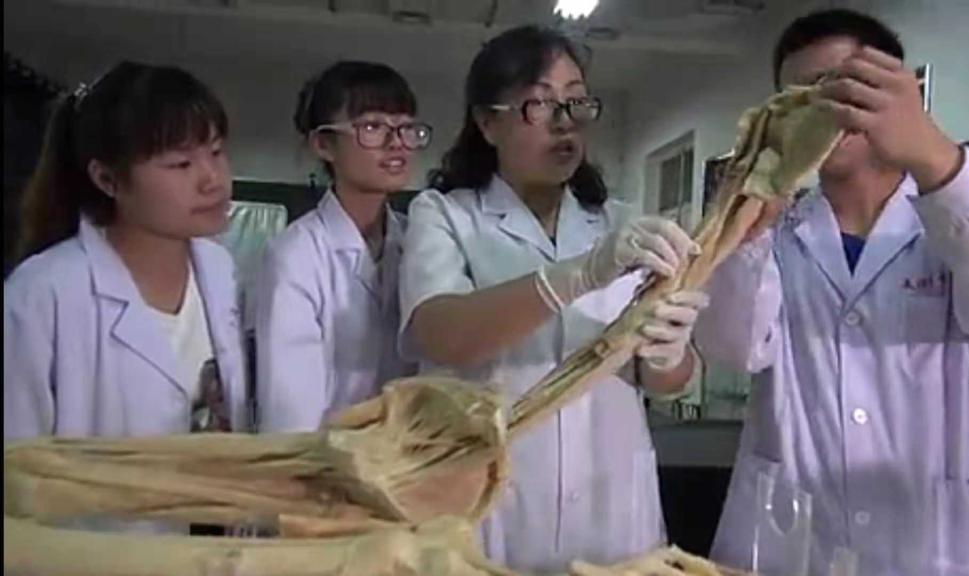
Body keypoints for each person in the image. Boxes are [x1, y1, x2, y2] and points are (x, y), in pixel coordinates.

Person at [695, 9, 969, 575]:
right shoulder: (773, 228)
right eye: (798, 97)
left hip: (933, 544)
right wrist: (743, 233)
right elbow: (731, 348)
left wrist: (933, 154)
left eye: (841, 86)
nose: (824, 109)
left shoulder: (953, 210)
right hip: (792, 537)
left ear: (899, 92)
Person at [400, 26, 707, 572]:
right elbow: (442, 335)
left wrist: (671, 356)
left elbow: (663, 382)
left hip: (612, 510)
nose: (565, 121)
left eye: (576, 101)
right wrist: (577, 275)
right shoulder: (445, 215)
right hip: (491, 509)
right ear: (487, 122)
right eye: (539, 104)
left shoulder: (620, 222)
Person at [4, 61, 247, 440]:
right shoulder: (40, 296)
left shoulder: (219, 270)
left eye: (216, 152)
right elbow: (16, 456)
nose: (213, 180)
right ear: (108, 179)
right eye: (181, 164)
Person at [254, 61, 430, 432]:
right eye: (373, 127)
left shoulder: (417, 241)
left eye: (405, 127)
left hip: (409, 456)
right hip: (326, 458)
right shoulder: (295, 255)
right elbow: (288, 414)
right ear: (324, 144)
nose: (397, 143)